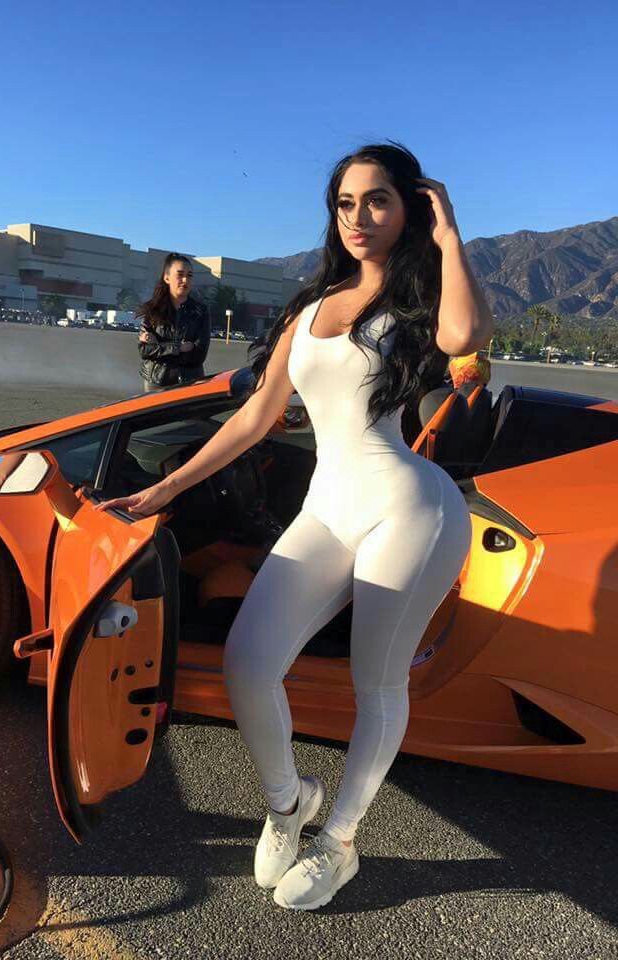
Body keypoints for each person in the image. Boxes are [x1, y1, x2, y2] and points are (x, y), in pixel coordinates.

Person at [98, 142, 493, 909]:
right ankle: (288, 805)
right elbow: (256, 416)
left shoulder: (418, 299)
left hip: (411, 511)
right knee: (248, 662)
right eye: (345, 202)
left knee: (376, 683)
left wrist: (449, 236)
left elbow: (463, 337)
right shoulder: (311, 308)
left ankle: (339, 840)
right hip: (328, 507)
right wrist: (161, 491)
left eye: (377, 200)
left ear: (410, 207)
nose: (357, 217)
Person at [137, 252, 211, 392]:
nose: (185, 280)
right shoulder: (153, 309)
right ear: (167, 278)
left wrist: (160, 347)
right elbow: (145, 350)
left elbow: (199, 355)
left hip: (190, 382)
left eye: (189, 275)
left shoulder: (201, 311)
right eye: (180, 274)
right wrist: (178, 348)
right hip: (156, 380)